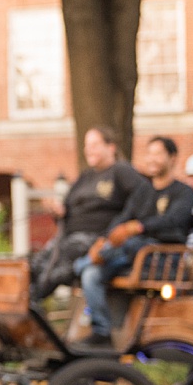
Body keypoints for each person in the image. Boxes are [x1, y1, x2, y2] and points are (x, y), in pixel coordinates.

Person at [72, 136, 193, 347]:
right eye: (149, 154)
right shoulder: (143, 191)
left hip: (162, 257)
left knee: (132, 244)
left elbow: (173, 220)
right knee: (91, 274)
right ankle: (102, 332)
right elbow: (122, 218)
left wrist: (138, 227)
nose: (152, 159)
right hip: (128, 257)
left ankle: (81, 263)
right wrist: (104, 239)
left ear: (172, 158)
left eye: (158, 154)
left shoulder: (184, 192)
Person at [28, 126, 145, 301]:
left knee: (60, 263)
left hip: (97, 239)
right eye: (86, 145)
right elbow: (66, 207)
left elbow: (141, 199)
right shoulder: (85, 176)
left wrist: (123, 227)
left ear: (111, 147)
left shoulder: (121, 171)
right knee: (37, 262)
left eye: (95, 144)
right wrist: (58, 211)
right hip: (69, 236)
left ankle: (33, 299)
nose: (89, 149)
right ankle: (25, 300)